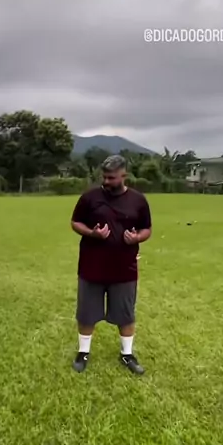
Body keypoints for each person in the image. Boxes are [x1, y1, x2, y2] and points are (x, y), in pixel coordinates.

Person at [70, 155, 152, 375]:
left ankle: (127, 354)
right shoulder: (90, 197)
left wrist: (137, 238)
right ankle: (83, 352)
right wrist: (92, 233)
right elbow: (75, 222)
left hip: (124, 269)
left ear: (124, 175)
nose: (106, 181)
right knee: (86, 313)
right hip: (92, 266)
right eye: (104, 177)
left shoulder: (138, 200)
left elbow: (147, 229)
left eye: (111, 178)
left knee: (126, 314)